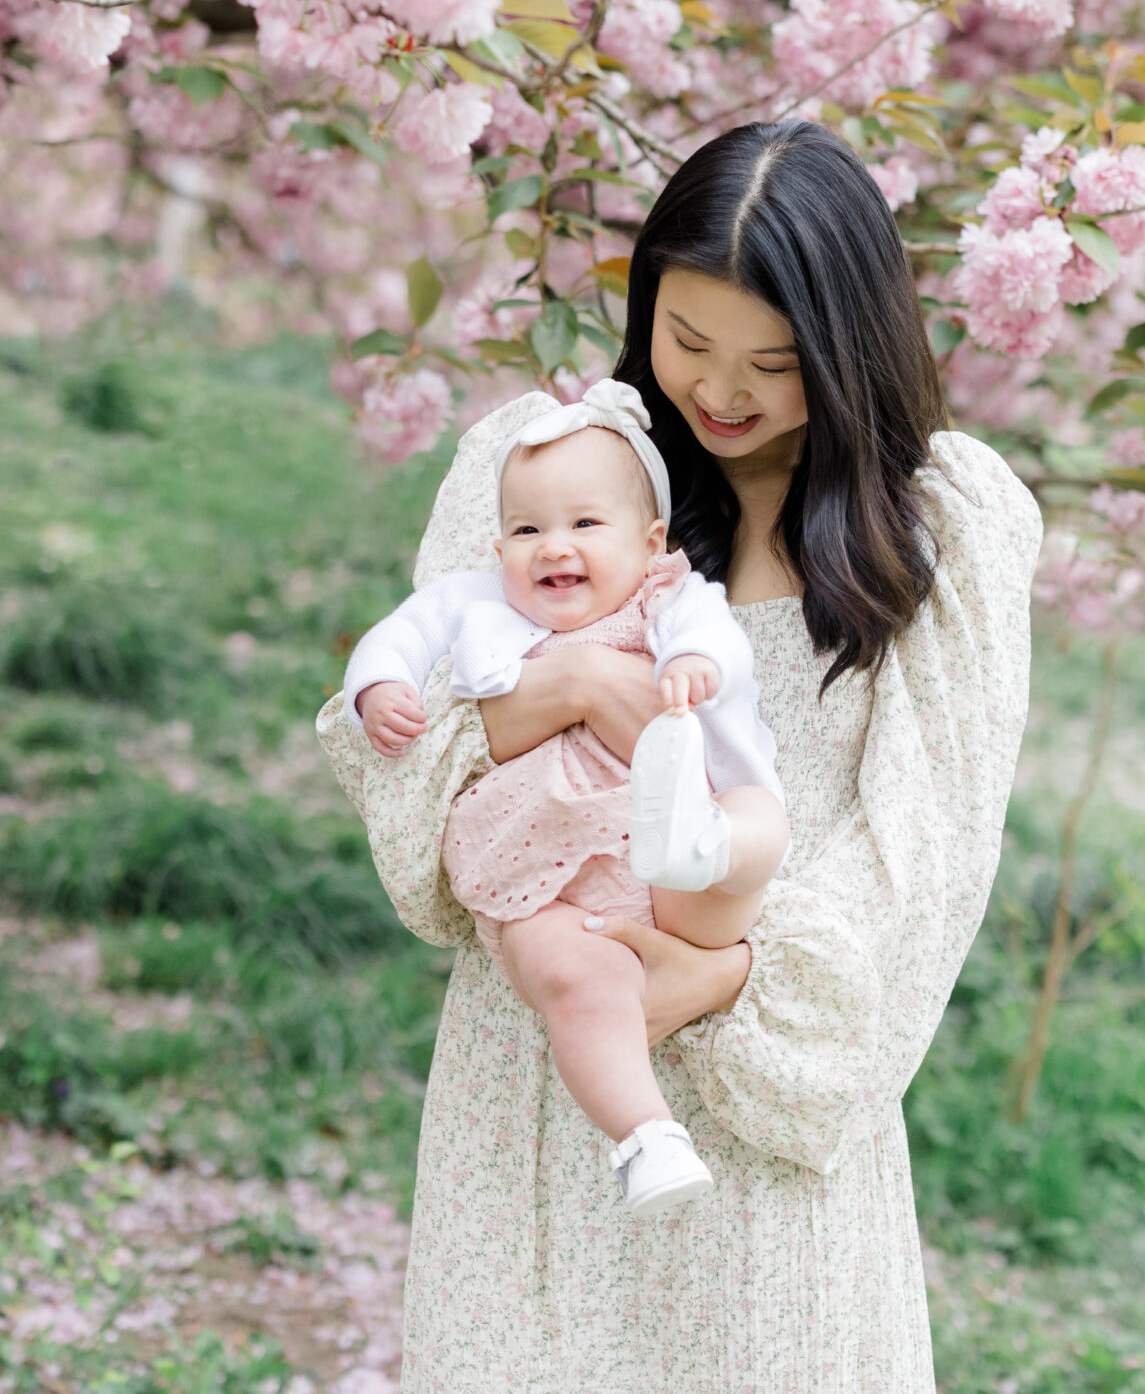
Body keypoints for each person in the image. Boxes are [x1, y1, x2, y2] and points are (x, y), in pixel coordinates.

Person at [316, 120, 1040, 1391]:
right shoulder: (549, 473)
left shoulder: (938, 531)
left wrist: (722, 977)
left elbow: (926, 855)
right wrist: (578, 684)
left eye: (771, 361)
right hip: (543, 1055)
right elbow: (403, 748)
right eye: (686, 340)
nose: (718, 392)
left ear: (850, 345)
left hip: (767, 1088)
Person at [339, 378, 791, 1213]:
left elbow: (712, 635)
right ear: (499, 541)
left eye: (585, 524)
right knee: (572, 984)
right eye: (527, 528)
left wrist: (697, 665)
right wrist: (380, 684)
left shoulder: (669, 599)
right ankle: (646, 1134)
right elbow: (403, 629)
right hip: (541, 878)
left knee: (758, 820)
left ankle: (711, 843)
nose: (553, 547)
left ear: (651, 541)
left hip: (658, 853)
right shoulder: (479, 599)